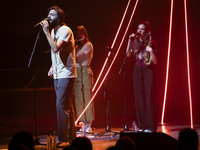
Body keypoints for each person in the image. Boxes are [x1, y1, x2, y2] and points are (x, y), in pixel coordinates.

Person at [40, 6, 76, 145]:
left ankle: (63, 138)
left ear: (59, 18)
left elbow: (56, 48)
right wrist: (52, 67)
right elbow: (57, 54)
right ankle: (71, 136)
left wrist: (46, 32)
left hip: (66, 73)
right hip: (58, 73)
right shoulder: (54, 31)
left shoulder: (65, 30)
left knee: (61, 106)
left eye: (52, 14)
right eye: (48, 14)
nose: (49, 16)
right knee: (67, 106)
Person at [126, 21, 158, 133]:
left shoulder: (151, 42)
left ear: (147, 31)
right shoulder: (134, 42)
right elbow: (128, 55)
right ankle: (142, 126)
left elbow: (155, 61)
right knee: (139, 98)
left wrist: (151, 52)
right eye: (138, 28)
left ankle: (150, 126)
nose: (139, 30)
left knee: (149, 98)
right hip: (137, 71)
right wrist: (129, 41)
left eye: (142, 29)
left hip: (147, 70)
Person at [74, 25, 94, 132]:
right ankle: (81, 122)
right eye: (77, 35)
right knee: (78, 98)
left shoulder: (88, 45)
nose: (78, 36)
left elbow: (76, 56)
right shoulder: (77, 47)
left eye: (80, 34)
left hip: (85, 71)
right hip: (77, 72)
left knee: (87, 97)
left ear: (85, 34)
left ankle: (88, 124)